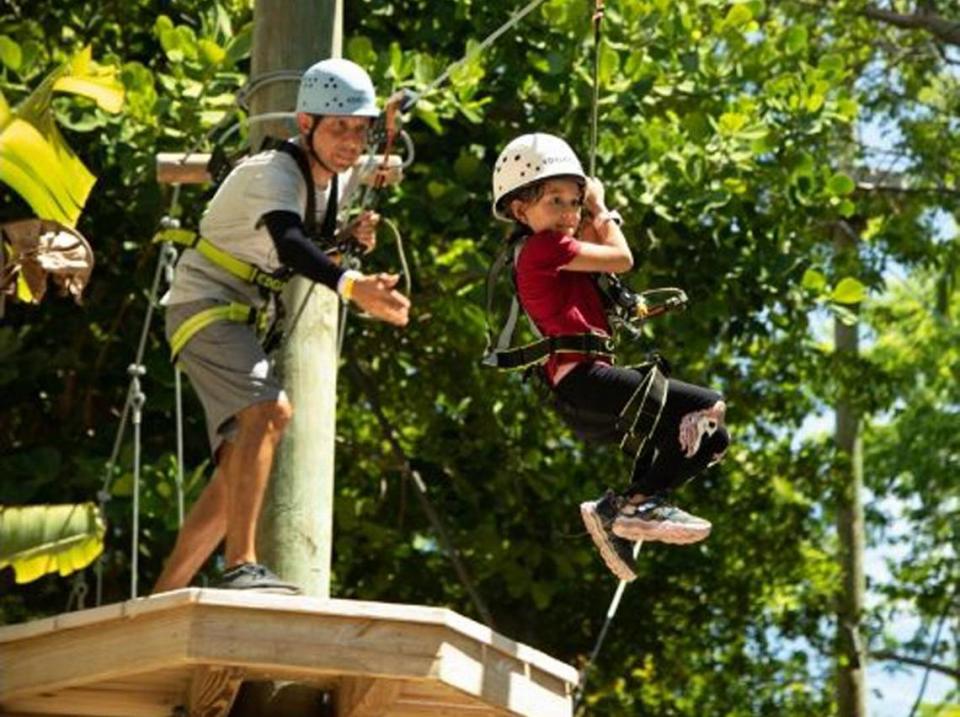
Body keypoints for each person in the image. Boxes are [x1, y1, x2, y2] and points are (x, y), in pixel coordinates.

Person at [152, 58, 410, 595]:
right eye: (339, 127)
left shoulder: (331, 181)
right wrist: (351, 284)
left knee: (238, 471)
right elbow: (289, 244)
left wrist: (343, 242)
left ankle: (165, 592)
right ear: (305, 124)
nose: (351, 142)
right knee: (270, 412)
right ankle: (241, 564)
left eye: (361, 130)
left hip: (238, 312)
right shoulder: (271, 171)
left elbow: (300, 242)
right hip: (207, 304)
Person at [490, 133, 729, 582]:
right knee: (706, 405)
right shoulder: (544, 248)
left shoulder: (556, 253)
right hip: (582, 380)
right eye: (554, 201)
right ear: (521, 211)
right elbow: (621, 258)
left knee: (711, 440)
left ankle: (621, 510)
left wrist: (587, 216)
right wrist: (601, 208)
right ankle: (636, 507)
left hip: (586, 384)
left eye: (574, 202)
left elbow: (600, 259)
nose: (567, 213)